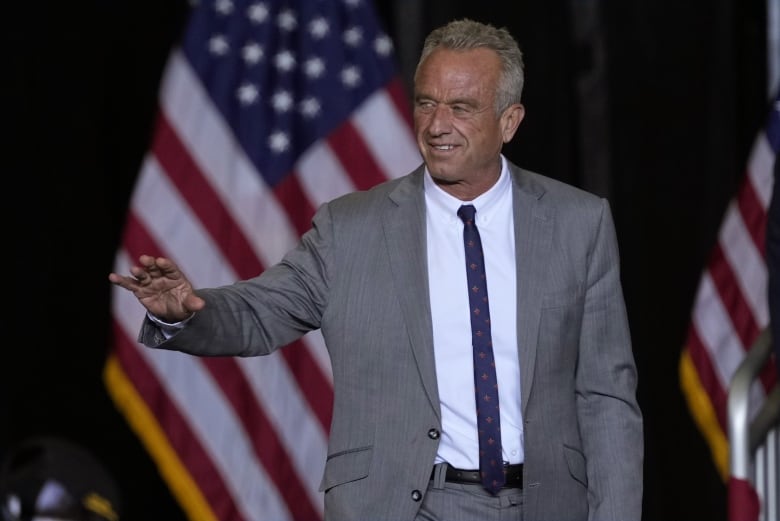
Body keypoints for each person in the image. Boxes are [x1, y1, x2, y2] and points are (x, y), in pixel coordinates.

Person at [110, 18, 643, 521]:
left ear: (509, 121)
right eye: (426, 104)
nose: (437, 125)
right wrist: (187, 313)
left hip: (544, 504)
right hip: (402, 505)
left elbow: (607, 396)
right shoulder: (351, 228)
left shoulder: (579, 224)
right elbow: (260, 311)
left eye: (461, 107)